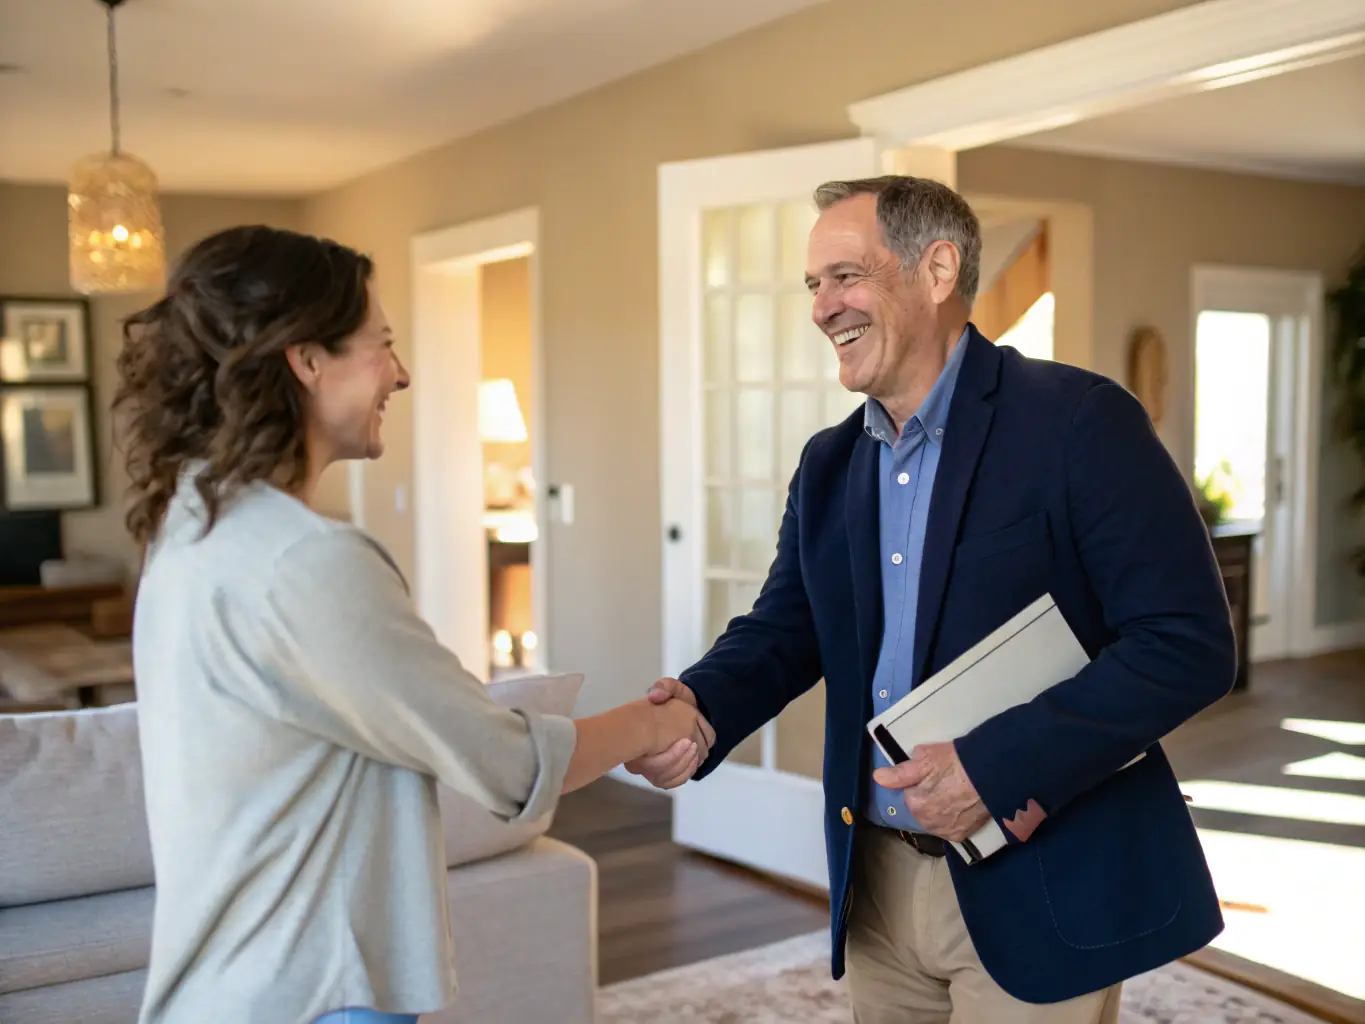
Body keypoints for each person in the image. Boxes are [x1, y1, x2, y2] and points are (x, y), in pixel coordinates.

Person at [626, 176, 1236, 1023]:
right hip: (875, 881)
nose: (820, 309)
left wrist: (991, 766)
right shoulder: (829, 464)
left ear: (937, 269)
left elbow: (1186, 644)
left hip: (1040, 874)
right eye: (812, 286)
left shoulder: (1078, 422)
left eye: (844, 276)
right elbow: (786, 628)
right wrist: (699, 705)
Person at [113, 224, 713, 1024]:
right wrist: (651, 720)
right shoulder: (305, 562)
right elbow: (506, 763)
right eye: (382, 344)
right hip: (311, 992)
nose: (401, 372)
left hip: (231, 987)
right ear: (306, 359)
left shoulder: (190, 525)